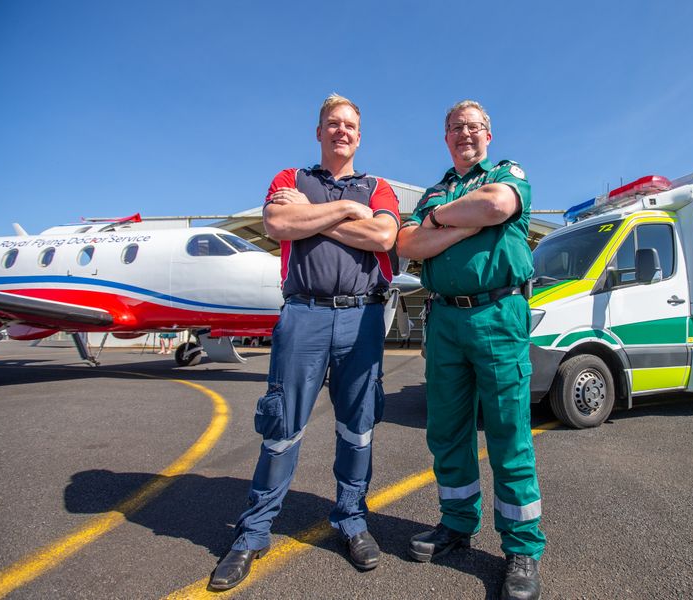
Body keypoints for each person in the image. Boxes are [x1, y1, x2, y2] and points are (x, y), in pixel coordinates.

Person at [210, 94, 400, 591]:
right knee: (281, 426)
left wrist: (319, 213)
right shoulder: (290, 180)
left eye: (351, 125)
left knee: (358, 427)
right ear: (319, 131)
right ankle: (253, 533)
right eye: (333, 124)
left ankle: (352, 520)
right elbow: (278, 223)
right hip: (303, 315)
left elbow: (383, 237)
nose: (343, 131)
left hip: (361, 319)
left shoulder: (378, 187)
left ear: (360, 135)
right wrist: (344, 212)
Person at [396, 100, 546, 600]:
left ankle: (521, 549)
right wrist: (454, 218)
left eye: (474, 127)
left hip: (498, 314)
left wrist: (439, 223)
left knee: (508, 432)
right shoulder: (435, 191)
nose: (465, 134)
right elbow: (410, 245)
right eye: (456, 128)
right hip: (444, 320)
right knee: (446, 430)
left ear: (489, 134)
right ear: (445, 138)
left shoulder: (508, 171)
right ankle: (456, 524)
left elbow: (497, 206)